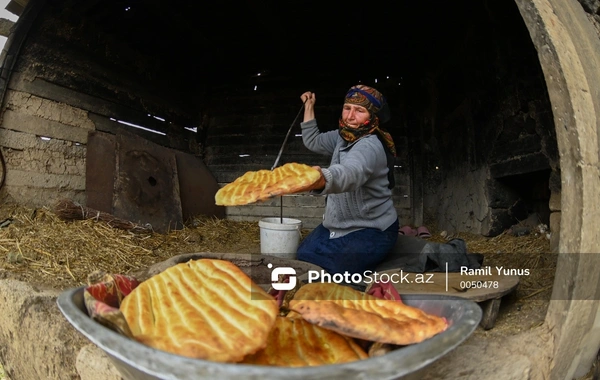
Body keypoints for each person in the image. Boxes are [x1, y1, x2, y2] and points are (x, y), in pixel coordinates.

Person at [297, 84, 399, 275]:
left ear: (373, 117)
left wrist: (322, 178)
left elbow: (351, 173)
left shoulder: (369, 145)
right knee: (304, 255)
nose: (350, 116)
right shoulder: (342, 136)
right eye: (347, 108)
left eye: (359, 111)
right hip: (336, 225)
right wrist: (309, 106)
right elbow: (313, 140)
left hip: (371, 229)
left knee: (338, 271)